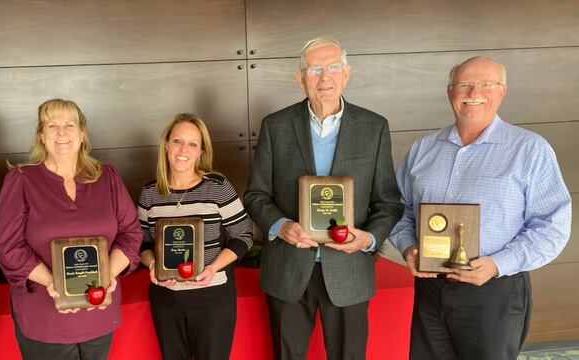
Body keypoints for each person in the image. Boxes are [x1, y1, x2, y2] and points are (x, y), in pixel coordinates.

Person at [389, 56, 571, 359]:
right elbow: (397, 207)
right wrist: (408, 247)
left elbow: (553, 226)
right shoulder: (423, 148)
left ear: (502, 92)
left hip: (494, 291)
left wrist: (499, 263)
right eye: (464, 84)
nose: (474, 92)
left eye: (487, 84)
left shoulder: (530, 149)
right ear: (450, 91)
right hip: (431, 289)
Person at [244, 38, 403, 360]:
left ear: (347, 73)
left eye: (332, 67)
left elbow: (388, 201)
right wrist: (280, 225)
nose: (324, 77)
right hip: (288, 269)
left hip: (349, 270)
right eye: (315, 69)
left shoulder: (374, 127)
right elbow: (256, 194)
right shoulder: (276, 126)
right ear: (300, 77)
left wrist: (368, 238)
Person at [0, 98, 142, 360]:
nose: (61, 133)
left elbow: (131, 234)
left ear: (82, 133)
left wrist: (107, 276)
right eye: (52, 125)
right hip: (45, 318)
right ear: (41, 135)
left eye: (69, 125)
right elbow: (9, 247)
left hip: (99, 311)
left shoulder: (107, 176)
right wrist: (55, 284)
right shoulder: (21, 179)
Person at [137, 113, 254, 360]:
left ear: (201, 151)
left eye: (192, 144)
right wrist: (153, 263)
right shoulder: (149, 193)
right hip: (166, 299)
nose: (183, 150)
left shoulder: (218, 186)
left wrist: (213, 268)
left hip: (212, 297)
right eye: (178, 141)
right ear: (166, 145)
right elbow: (142, 243)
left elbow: (244, 234)